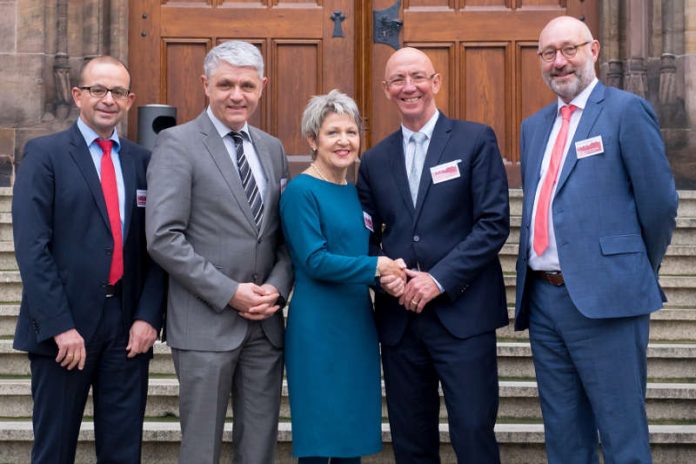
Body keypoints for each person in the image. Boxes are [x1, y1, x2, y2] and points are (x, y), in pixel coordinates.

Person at [515, 16, 679, 464]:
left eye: (569, 49)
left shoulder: (626, 111)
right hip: (545, 301)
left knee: (622, 434)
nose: (559, 62)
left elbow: (660, 204)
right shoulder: (534, 127)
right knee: (564, 436)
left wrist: (628, 267)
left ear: (595, 49)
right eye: (549, 53)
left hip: (608, 298)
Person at [356, 47, 510, 463]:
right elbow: (366, 239)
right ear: (387, 90)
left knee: (474, 432)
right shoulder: (372, 160)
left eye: (418, 77)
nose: (410, 88)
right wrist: (382, 275)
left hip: (464, 316)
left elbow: (493, 223)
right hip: (400, 322)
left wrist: (438, 279)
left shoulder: (475, 140)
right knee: (411, 441)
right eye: (399, 81)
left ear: (436, 82)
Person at [12, 56, 167, 463]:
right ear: (77, 95)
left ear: (130, 100)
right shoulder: (44, 155)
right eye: (98, 90)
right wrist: (60, 326)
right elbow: (32, 247)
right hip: (65, 333)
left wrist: (149, 317)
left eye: (117, 92)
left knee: (122, 452)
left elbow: (158, 247)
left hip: (127, 330)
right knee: (54, 450)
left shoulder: (144, 162)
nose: (108, 100)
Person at [145, 40, 293, 464]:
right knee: (201, 446)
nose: (236, 95)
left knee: (259, 443)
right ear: (205, 85)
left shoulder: (272, 148)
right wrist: (230, 292)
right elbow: (163, 237)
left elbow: (282, 237)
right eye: (225, 84)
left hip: (265, 327)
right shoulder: (177, 143)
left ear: (262, 86)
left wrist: (276, 290)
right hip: (205, 322)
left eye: (247, 85)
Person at [280, 90, 405, 464]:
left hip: (356, 322)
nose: (344, 141)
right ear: (312, 140)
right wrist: (376, 268)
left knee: (352, 435)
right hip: (318, 326)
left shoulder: (353, 193)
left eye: (351, 132)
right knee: (320, 437)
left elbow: (360, 252)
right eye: (333, 132)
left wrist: (388, 276)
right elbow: (314, 260)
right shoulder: (301, 190)